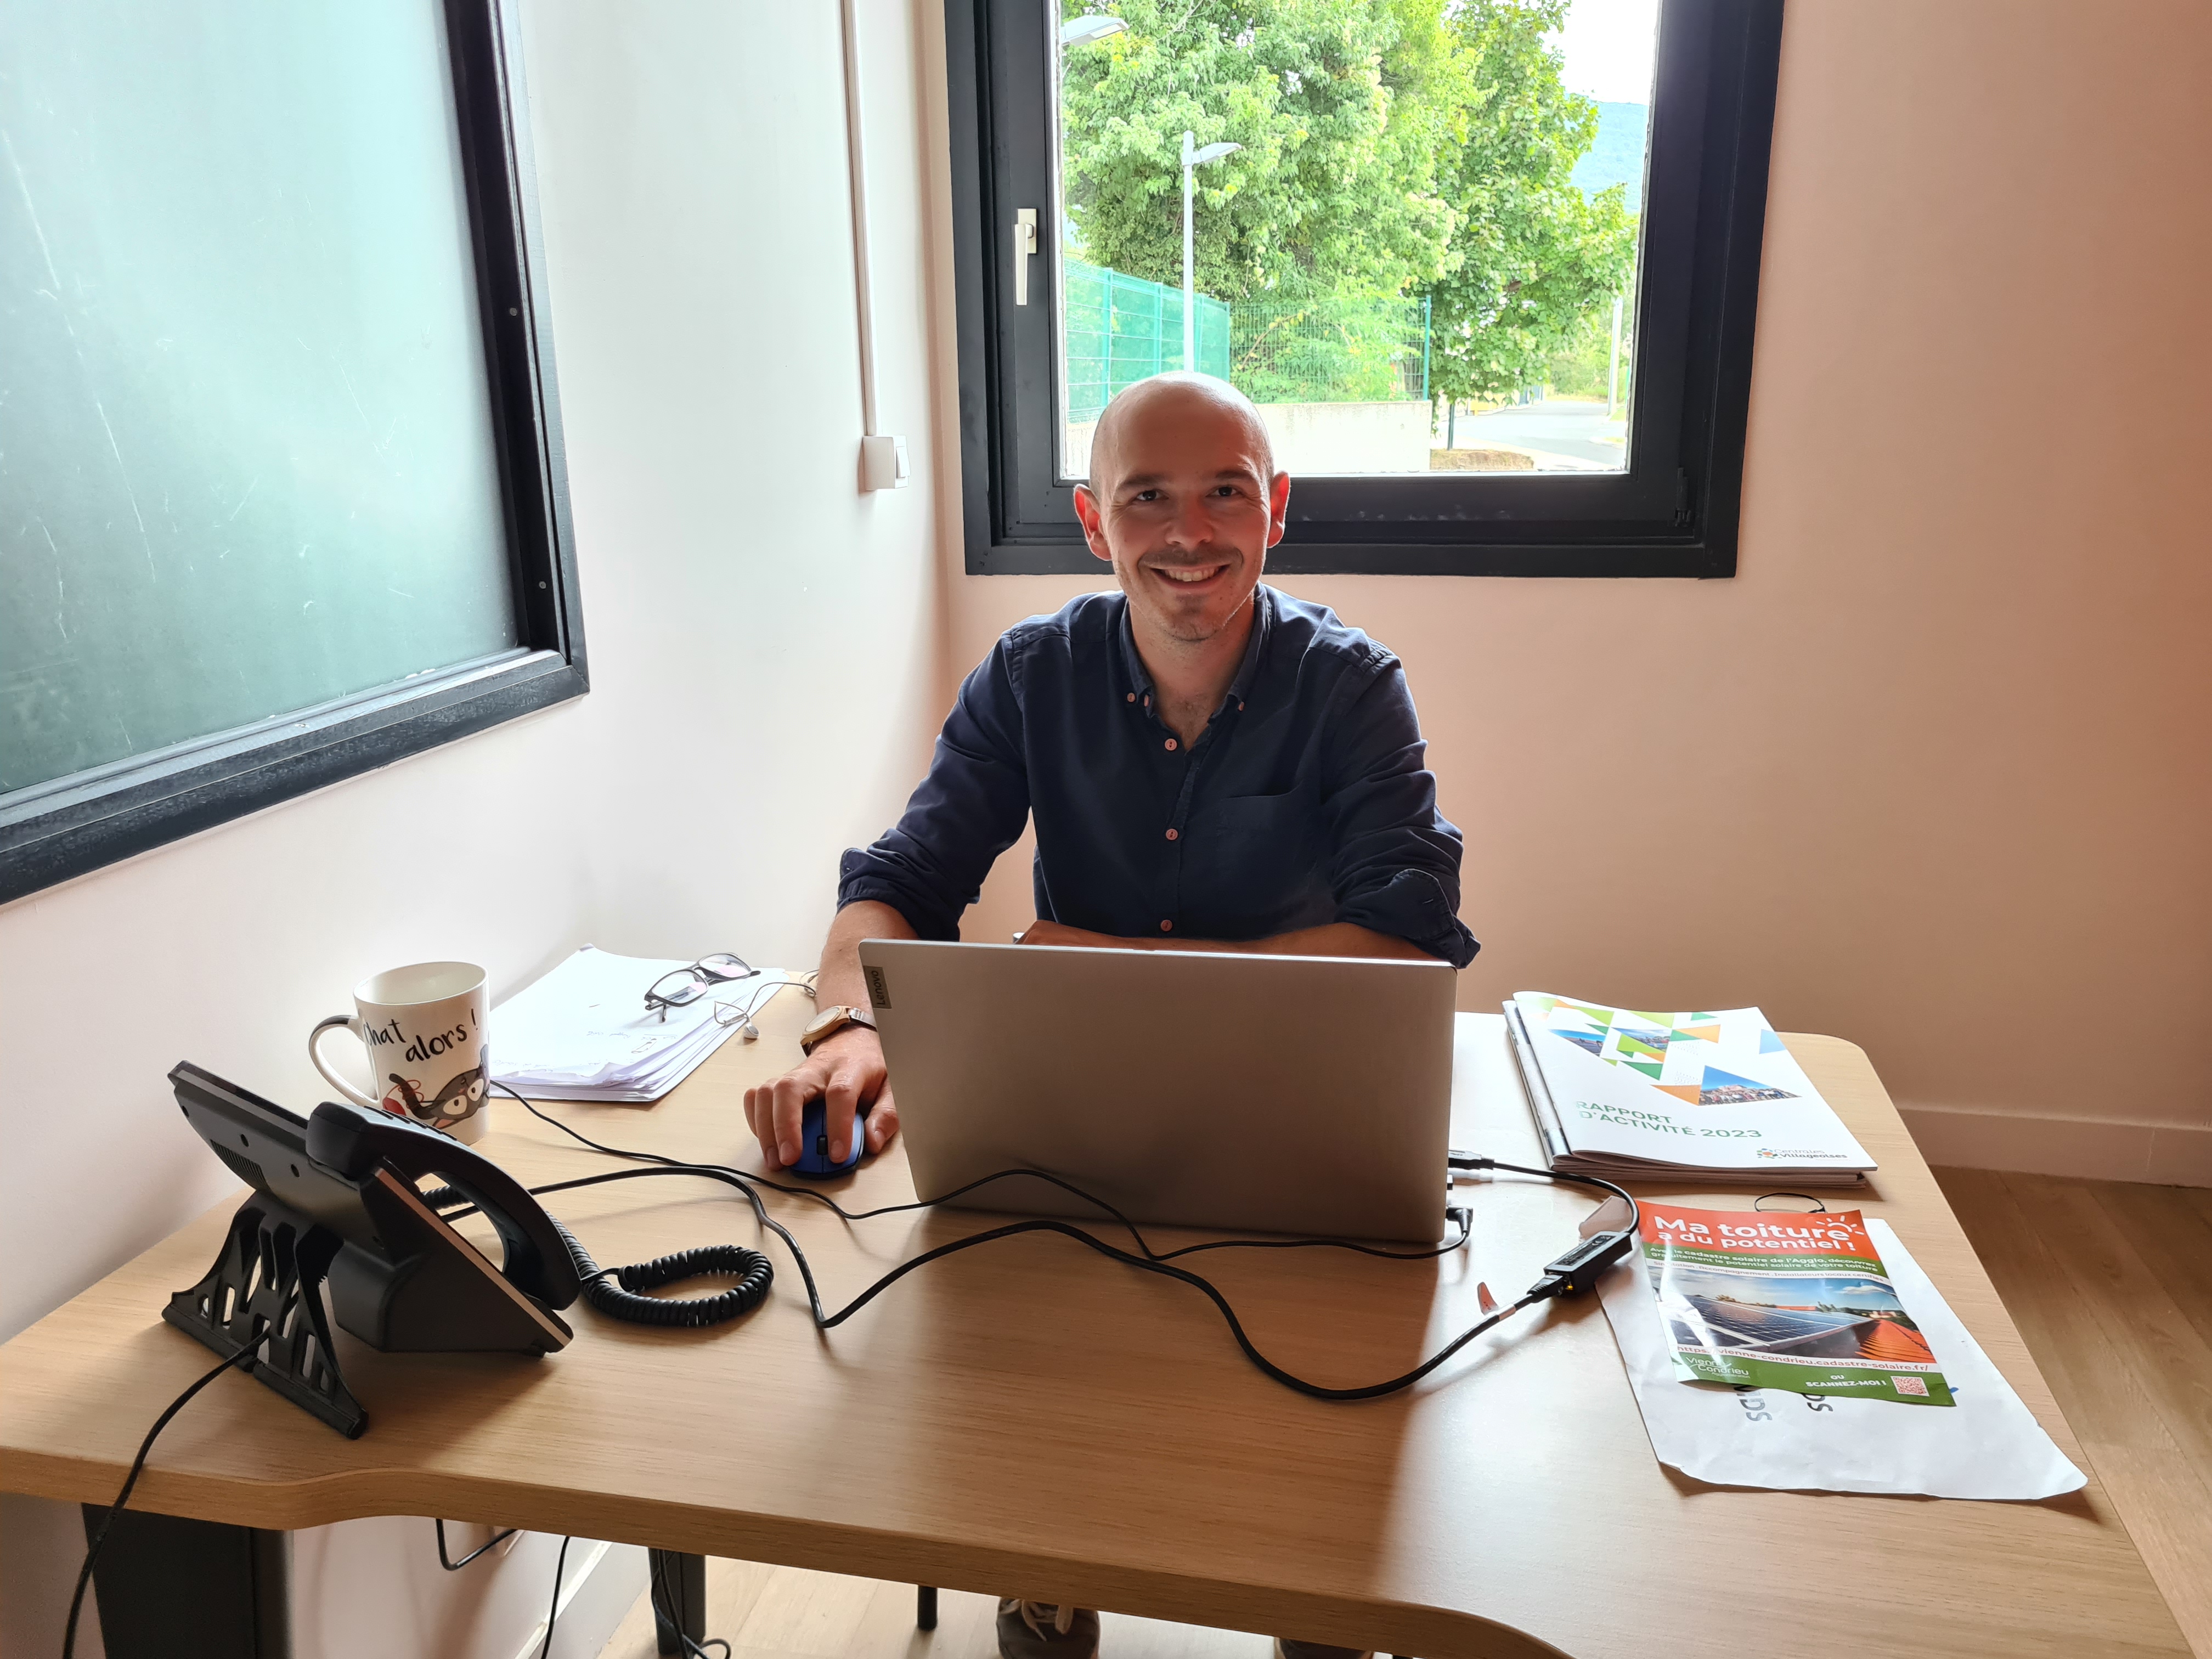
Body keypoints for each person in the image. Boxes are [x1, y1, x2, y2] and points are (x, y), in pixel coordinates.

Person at [743, 372, 1477, 1659]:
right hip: (1071, 1131)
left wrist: (1101, 949)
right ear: (1096, 523)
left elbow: (1410, 932)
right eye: (1149, 497)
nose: (1189, 533)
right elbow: (895, 891)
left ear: (1276, 510)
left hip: (1300, 1123)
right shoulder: (1032, 676)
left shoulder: (1352, 686)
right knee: (1031, 1384)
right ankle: (1046, 1567)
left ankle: (1319, 1598)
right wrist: (848, 1029)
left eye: (1224, 493)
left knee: (1321, 1485)